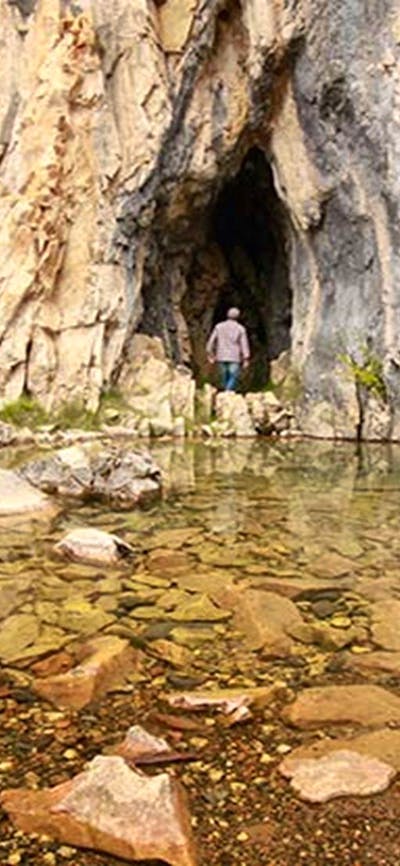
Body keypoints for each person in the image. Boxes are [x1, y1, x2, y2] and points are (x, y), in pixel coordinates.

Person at [206, 307, 250, 391]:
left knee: (224, 376)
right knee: (233, 376)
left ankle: (225, 391)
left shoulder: (219, 327)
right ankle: (227, 391)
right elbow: (244, 344)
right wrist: (246, 358)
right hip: (234, 357)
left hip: (221, 355)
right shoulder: (240, 329)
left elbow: (211, 341)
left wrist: (210, 353)